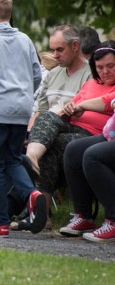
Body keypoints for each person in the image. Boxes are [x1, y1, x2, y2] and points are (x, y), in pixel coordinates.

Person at [0, 0, 46, 237]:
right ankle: (31, 193)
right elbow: (37, 75)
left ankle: (1, 221)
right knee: (13, 159)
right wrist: (24, 95)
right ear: (10, 13)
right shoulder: (25, 40)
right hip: (22, 109)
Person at [28, 40, 115, 223]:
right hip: (74, 126)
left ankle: (41, 213)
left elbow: (107, 101)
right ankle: (31, 157)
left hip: (96, 136)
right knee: (47, 117)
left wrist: (81, 105)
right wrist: (67, 110)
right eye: (99, 67)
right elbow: (72, 106)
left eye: (110, 66)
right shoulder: (91, 84)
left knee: (56, 144)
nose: (104, 72)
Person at [26, 25, 92, 170]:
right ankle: (36, 190)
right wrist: (29, 134)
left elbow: (87, 114)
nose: (55, 55)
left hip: (78, 130)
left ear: (75, 45)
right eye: (52, 50)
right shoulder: (52, 74)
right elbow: (40, 111)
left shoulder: (90, 74)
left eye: (60, 50)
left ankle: (31, 160)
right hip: (48, 132)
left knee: (50, 132)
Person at [60, 87, 115, 243]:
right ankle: (84, 216)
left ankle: (113, 220)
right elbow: (109, 101)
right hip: (111, 134)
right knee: (73, 150)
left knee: (93, 156)